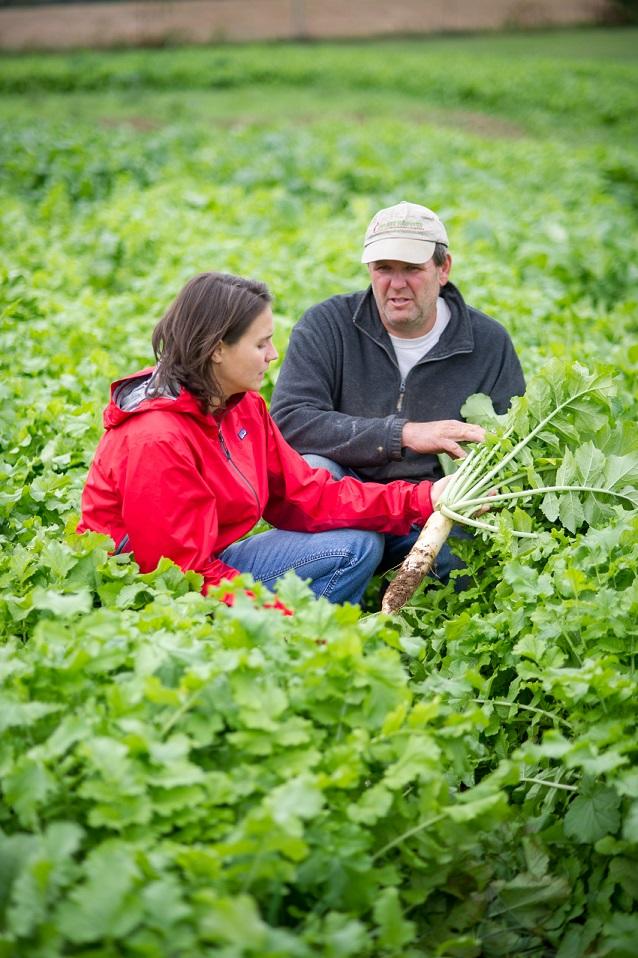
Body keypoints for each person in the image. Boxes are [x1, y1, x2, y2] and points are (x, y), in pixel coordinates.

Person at [78, 271, 453, 608]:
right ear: (218, 349)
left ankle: (311, 642)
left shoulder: (242, 407)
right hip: (152, 588)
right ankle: (306, 650)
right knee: (333, 576)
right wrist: (283, 621)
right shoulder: (156, 439)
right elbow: (176, 579)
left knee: (357, 544)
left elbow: (310, 496)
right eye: (261, 345)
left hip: (209, 563)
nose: (273, 355)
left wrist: (422, 497)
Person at [270, 200, 525, 577]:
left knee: (466, 549)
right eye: (384, 269)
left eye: (412, 269)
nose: (396, 284)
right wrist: (402, 434)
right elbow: (289, 422)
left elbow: (507, 448)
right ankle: (325, 605)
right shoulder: (327, 325)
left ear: (443, 269)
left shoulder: (488, 343)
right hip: (346, 501)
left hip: (434, 514)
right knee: (314, 468)